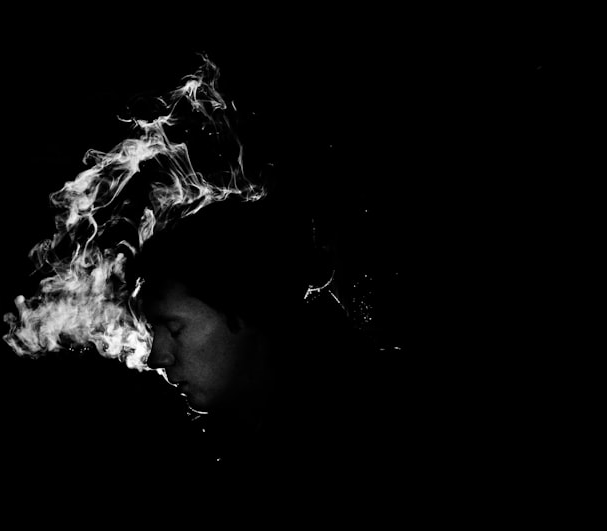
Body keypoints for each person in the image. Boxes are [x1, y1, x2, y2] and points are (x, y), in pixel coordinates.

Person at [127, 194, 408, 489]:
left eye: (174, 329)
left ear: (246, 310)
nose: (156, 357)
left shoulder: (377, 419)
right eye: (154, 330)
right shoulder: (233, 443)